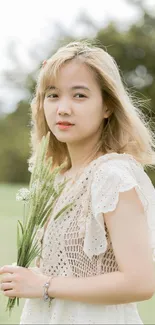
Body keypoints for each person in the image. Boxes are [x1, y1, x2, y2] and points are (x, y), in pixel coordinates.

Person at [0, 40, 155, 324]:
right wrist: (27, 277)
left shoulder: (112, 175)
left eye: (79, 96)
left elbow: (141, 282)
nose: (63, 109)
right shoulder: (58, 177)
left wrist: (44, 286)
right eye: (53, 95)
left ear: (107, 106)